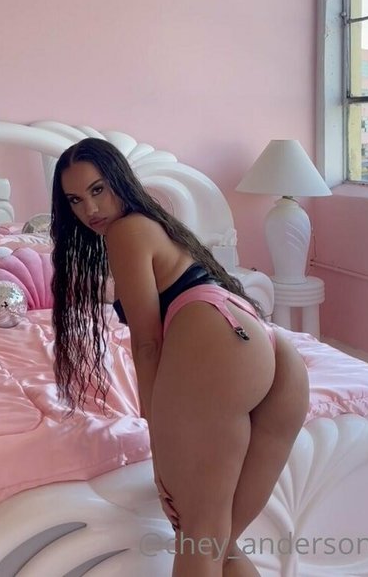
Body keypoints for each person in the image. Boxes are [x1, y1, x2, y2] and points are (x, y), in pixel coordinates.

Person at [51, 138, 309, 577]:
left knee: (199, 537)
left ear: (119, 182)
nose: (90, 209)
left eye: (98, 190)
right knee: (218, 544)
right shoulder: (158, 225)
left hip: (217, 349)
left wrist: (159, 439)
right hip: (269, 351)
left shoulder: (126, 231)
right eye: (75, 200)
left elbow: (147, 344)